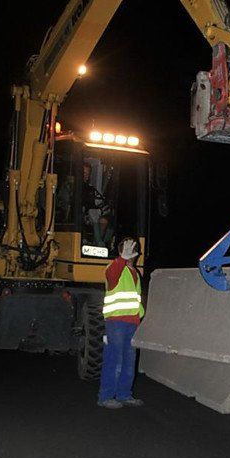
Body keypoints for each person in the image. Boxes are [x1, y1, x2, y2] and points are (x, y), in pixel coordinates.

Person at [97, 237, 145, 409]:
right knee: (114, 360)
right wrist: (121, 259)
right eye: (128, 249)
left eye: (134, 250)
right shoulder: (115, 268)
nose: (132, 253)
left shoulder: (135, 273)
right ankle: (105, 397)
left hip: (132, 323)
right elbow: (111, 276)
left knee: (129, 362)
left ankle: (124, 394)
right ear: (121, 251)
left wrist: (140, 318)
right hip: (116, 322)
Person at [82, 161, 113, 249]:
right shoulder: (71, 185)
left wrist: (105, 209)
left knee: (104, 220)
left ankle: (96, 244)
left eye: (88, 174)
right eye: (84, 173)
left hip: (89, 217)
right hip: (75, 218)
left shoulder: (91, 189)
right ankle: (99, 243)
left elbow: (99, 202)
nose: (85, 176)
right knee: (93, 212)